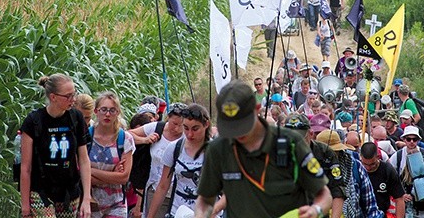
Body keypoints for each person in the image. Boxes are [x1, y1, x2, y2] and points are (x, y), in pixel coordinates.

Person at [195, 80, 332, 218]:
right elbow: (205, 199)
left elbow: (324, 194)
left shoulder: (291, 143)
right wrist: (202, 214)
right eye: (231, 127)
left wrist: (315, 210)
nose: (238, 133)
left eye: (243, 125)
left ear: (257, 108)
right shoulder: (218, 150)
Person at [20, 74, 91, 218]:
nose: (74, 99)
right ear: (53, 97)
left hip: (69, 191)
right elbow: (25, 167)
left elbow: (83, 160)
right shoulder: (33, 121)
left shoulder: (76, 118)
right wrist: (25, 205)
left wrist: (87, 199)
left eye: (74, 94)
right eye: (68, 96)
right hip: (40, 191)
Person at [147, 104, 213, 218]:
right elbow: (163, 186)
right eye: (186, 128)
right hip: (178, 211)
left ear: (206, 124)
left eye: (195, 128)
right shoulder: (174, 148)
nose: (190, 134)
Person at [130, 103, 186, 218]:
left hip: (180, 194)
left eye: (182, 125)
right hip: (155, 188)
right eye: (174, 124)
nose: (177, 129)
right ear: (167, 118)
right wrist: (144, 139)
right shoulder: (156, 128)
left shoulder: (188, 136)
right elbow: (127, 135)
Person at [285, 114, 345, 218]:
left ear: (310, 134)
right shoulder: (277, 153)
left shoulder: (325, 152)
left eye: (299, 139)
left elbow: (337, 190)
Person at [315, 130, 384, 218]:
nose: (331, 157)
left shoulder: (354, 167)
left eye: (334, 152)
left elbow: (371, 207)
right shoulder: (310, 172)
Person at [89, 91, 136, 218]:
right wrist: (112, 175)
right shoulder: (86, 137)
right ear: (96, 111)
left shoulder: (125, 139)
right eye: (103, 109)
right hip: (88, 204)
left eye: (112, 110)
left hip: (116, 204)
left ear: (118, 113)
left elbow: (123, 178)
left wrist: (90, 170)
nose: (107, 114)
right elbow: (79, 175)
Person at [389, 126, 424, 218]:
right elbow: (390, 178)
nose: (412, 142)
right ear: (404, 140)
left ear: (418, 140)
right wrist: (400, 195)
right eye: (408, 139)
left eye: (415, 139)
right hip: (406, 206)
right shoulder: (397, 157)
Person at [360, 142, 405, 218]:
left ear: (378, 156)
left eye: (372, 164)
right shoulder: (358, 170)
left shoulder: (387, 170)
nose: (368, 168)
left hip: (381, 213)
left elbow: (399, 199)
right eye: (365, 164)